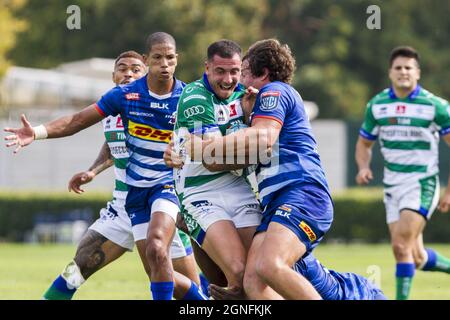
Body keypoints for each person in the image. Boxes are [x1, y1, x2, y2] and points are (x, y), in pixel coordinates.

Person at [4, 32, 206, 300]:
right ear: (113, 76)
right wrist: (90, 168)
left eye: (135, 69)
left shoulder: (185, 98)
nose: (128, 74)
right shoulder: (119, 103)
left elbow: (204, 137)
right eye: (122, 69)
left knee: (174, 276)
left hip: (165, 198)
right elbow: (98, 135)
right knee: (76, 269)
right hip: (126, 204)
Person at [183, 38, 334, 300]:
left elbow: (263, 138)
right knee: (252, 283)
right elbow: (223, 158)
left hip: (302, 194)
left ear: (262, 73)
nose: (237, 81)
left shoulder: (274, 91)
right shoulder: (257, 104)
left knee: (269, 266)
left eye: (243, 72)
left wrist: (204, 145)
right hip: (278, 202)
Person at [355, 46, 450, 300]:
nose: (403, 72)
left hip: (422, 183)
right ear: (390, 72)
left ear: (418, 73)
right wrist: (363, 166)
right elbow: (364, 144)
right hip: (392, 186)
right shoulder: (377, 105)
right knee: (414, 256)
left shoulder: (435, 106)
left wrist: (449, 191)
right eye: (398, 68)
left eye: (409, 67)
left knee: (400, 245)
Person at [171, 39, 262, 298]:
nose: (228, 78)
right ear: (207, 68)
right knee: (238, 271)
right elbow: (213, 157)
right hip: (201, 192)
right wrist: (257, 149)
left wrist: (246, 119)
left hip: (239, 188)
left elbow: (216, 150)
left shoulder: (247, 93)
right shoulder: (195, 96)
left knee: (258, 272)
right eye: (220, 71)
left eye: (234, 71)